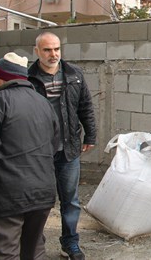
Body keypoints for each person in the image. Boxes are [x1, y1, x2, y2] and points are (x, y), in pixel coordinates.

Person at [28, 32, 97, 260]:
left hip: (69, 148)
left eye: (57, 49)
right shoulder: (28, 78)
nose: (53, 54)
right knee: (40, 200)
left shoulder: (73, 74)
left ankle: (70, 243)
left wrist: (90, 136)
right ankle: (37, 242)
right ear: (37, 51)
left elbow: (85, 107)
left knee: (71, 200)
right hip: (40, 152)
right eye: (47, 50)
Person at [0, 52, 59, 259]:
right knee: (34, 249)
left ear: (2, 77)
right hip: (43, 192)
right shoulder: (43, 103)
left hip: (7, 196)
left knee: (3, 252)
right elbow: (53, 146)